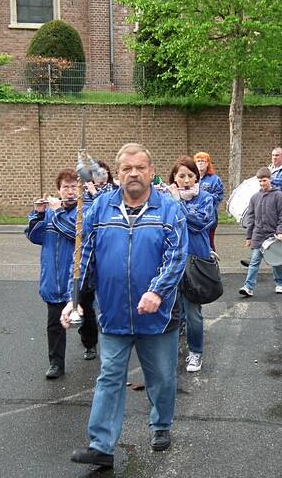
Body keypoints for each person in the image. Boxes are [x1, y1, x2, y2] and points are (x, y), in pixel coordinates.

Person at [63, 143, 188, 468]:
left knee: (161, 378)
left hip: (158, 318)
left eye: (140, 167)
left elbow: (176, 255)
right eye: (126, 168)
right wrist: (73, 300)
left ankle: (161, 424)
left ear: (151, 171)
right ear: (117, 175)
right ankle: (102, 445)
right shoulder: (101, 209)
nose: (133, 173)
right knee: (109, 377)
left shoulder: (169, 210)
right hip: (115, 315)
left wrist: (157, 291)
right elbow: (84, 257)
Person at [25, 168, 98, 379]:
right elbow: (35, 237)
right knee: (54, 323)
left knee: (86, 315)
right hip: (53, 278)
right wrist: (38, 214)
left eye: (74, 187)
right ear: (58, 189)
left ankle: (90, 343)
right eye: (65, 187)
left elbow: (77, 234)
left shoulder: (86, 210)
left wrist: (56, 212)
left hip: (77, 277)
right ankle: (56, 363)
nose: (70, 191)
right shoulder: (50, 211)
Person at [167, 156, 215, 372]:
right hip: (171, 260)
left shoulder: (205, 198)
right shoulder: (165, 199)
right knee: (171, 309)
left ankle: (195, 353)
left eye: (190, 175)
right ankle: (169, 349)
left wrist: (178, 203)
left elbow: (200, 223)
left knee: (193, 311)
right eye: (181, 176)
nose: (186, 180)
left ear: (197, 177)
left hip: (195, 260)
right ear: (174, 178)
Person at [239, 167, 282, 297]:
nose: (262, 184)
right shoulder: (254, 198)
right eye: (260, 181)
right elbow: (251, 219)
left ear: (270, 180)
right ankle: (248, 287)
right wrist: (249, 237)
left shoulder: (279, 196)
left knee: (275, 262)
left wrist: (281, 232)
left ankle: (281, 283)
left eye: (264, 180)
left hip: (273, 236)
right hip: (258, 235)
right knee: (254, 261)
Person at [194, 152, 224, 251]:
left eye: (203, 161)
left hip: (209, 218)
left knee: (209, 243)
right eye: (198, 161)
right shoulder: (192, 178)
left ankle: (211, 264)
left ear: (207, 163)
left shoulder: (214, 179)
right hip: (194, 217)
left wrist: (203, 195)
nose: (200, 163)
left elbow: (218, 197)